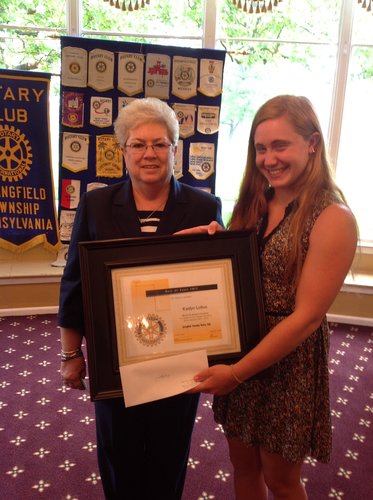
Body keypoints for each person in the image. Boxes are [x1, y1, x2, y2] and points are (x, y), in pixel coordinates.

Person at [185, 95, 358, 499]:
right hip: (240, 343)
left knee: (281, 480)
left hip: (285, 363)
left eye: (281, 146)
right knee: (243, 468)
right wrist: (206, 245)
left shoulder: (333, 217)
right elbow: (237, 273)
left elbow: (307, 318)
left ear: (312, 143)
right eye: (261, 148)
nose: (269, 159)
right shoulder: (256, 200)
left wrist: (238, 372)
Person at [58, 97, 223, 500]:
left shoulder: (204, 206)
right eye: (138, 144)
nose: (149, 153)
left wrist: (219, 250)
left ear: (174, 149)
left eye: (160, 143)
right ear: (123, 150)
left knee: (169, 454)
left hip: (180, 359)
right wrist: (71, 354)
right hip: (115, 360)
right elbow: (75, 281)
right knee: (119, 455)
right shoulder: (97, 204)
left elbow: (219, 287)